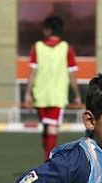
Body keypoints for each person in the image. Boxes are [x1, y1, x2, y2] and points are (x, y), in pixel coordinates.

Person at [24, 15, 82, 159]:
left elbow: (32, 72)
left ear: (49, 29)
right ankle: (49, 162)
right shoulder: (66, 48)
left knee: (48, 127)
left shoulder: (37, 47)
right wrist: (77, 94)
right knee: (51, 128)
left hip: (40, 94)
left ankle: (48, 161)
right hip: (57, 95)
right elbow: (72, 74)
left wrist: (28, 93)